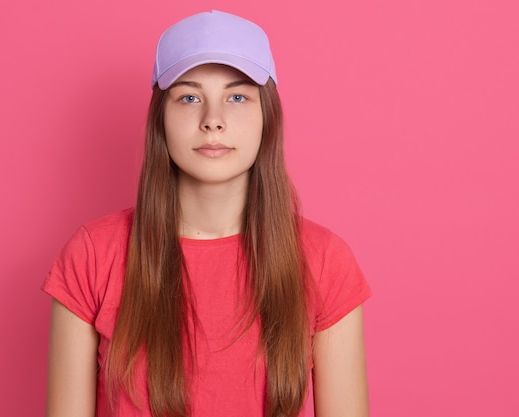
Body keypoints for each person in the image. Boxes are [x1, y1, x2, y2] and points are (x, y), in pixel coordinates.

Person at [43, 10, 371, 417]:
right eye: (189, 97)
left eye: (237, 97)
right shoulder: (93, 255)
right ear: (160, 119)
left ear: (267, 116)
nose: (212, 121)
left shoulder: (325, 261)